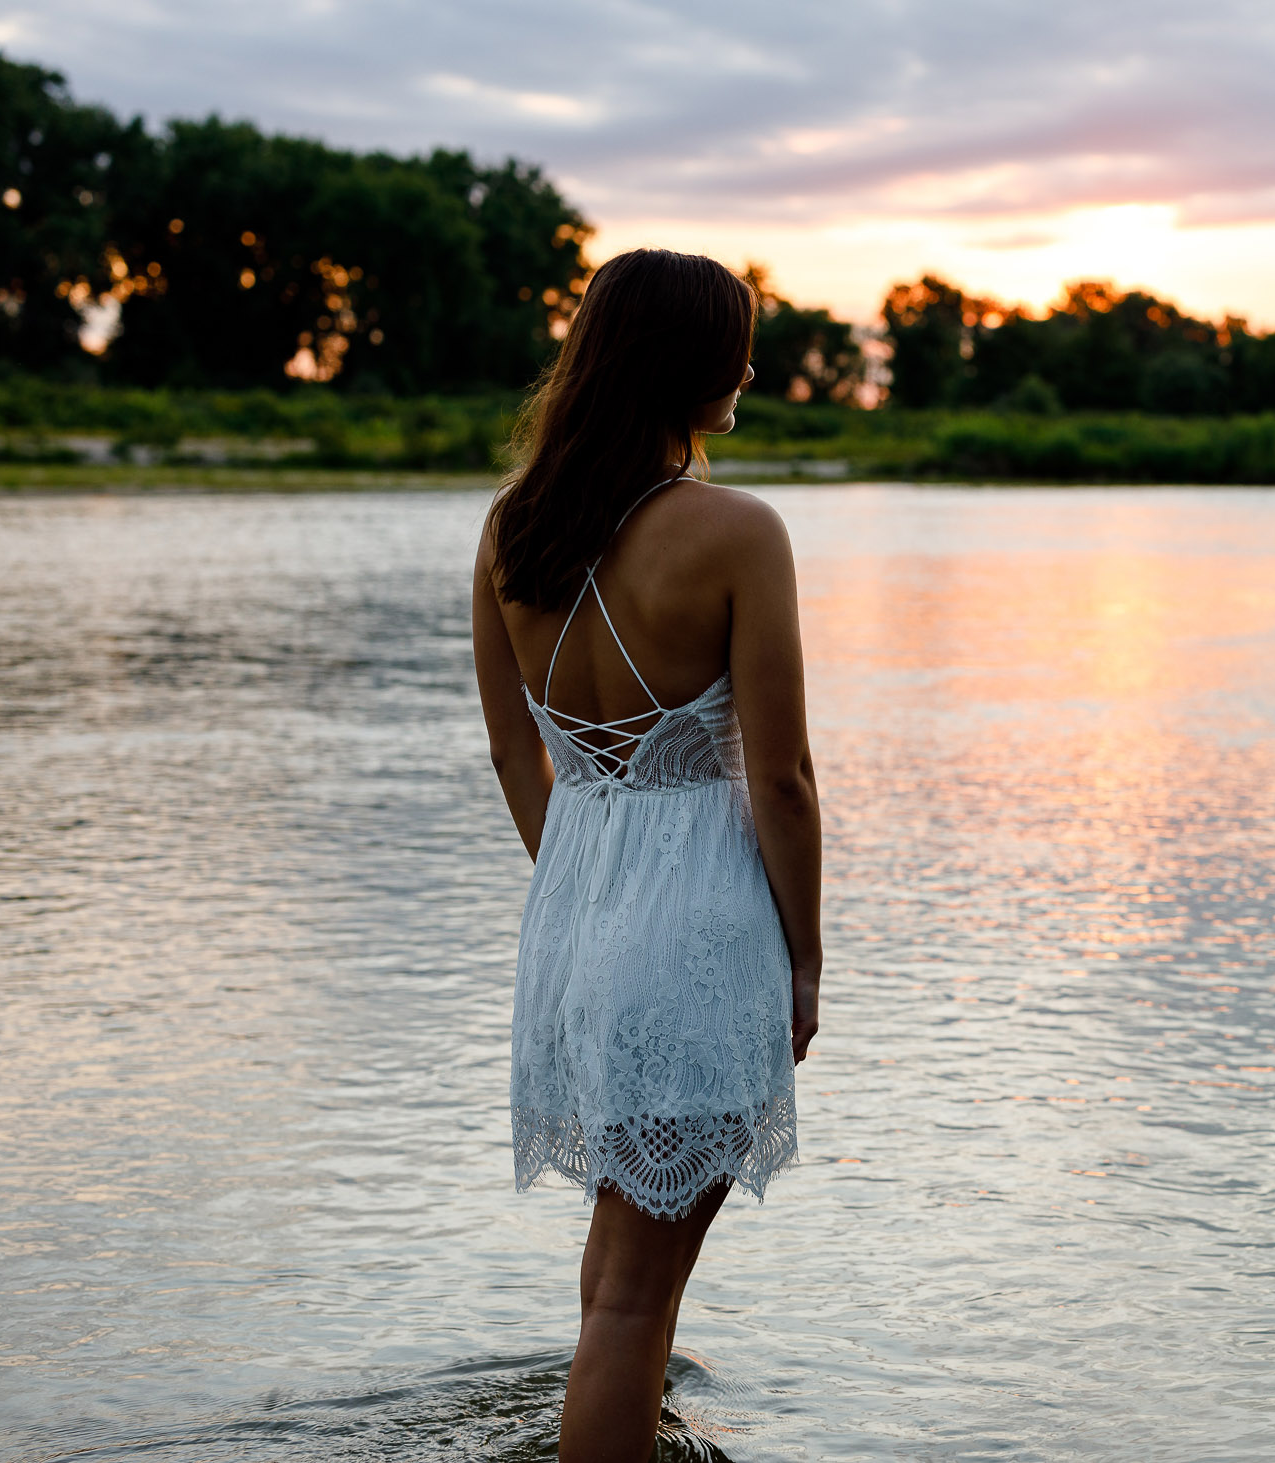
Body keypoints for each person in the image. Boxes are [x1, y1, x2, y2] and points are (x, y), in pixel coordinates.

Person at [469, 248, 822, 1463]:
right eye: (736, 343)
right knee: (637, 1295)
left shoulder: (513, 526)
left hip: (576, 921)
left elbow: (522, 755)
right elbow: (780, 779)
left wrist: (585, 899)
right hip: (701, 930)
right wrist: (808, 961)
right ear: (684, 362)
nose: (749, 366)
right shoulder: (737, 530)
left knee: (620, 1269)